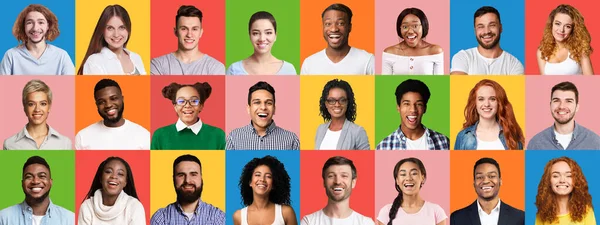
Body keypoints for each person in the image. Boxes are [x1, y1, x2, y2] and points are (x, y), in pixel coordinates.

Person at [75, 78, 150, 150]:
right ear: (96, 105)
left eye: (113, 98)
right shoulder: (82, 137)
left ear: (122, 99)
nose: (108, 105)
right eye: (101, 102)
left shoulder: (143, 135)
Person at [300, 3, 374, 75]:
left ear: (349, 27)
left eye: (340, 23)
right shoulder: (309, 64)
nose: (334, 29)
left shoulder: (368, 61)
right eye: (328, 24)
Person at [0, 4, 74, 75]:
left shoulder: (62, 56)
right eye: (30, 23)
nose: (35, 28)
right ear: (23, 26)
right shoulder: (11, 56)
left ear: (48, 26)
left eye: (41, 22)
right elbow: (3, 87)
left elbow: (71, 87)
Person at [150, 5, 225, 75]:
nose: (189, 34)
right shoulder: (157, 64)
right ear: (176, 32)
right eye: (184, 29)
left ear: (201, 32)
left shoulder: (216, 67)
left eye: (194, 29)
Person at [151, 154, 225, 225]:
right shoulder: (160, 218)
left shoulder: (218, 217)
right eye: (181, 175)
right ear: (173, 179)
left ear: (201, 178)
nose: (187, 180)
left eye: (193, 174)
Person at [376, 79, 449, 150]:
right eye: (407, 104)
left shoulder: (443, 142)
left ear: (425, 108)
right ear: (398, 107)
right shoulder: (383, 147)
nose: (413, 110)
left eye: (418, 104)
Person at [0, 156, 74, 225]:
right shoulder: (4, 218)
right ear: (22, 183)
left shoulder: (69, 219)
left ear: (50, 182)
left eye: (42, 176)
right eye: (29, 177)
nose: (35, 181)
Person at [226, 81, 299, 150]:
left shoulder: (291, 140)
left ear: (274, 109)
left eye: (268, 103)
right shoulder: (233, 138)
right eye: (257, 102)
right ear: (249, 108)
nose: (263, 107)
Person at [301, 156, 374, 225]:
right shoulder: (309, 222)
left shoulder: (366, 223)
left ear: (353, 182)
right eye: (331, 176)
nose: (337, 181)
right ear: (324, 182)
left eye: (344, 176)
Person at [450, 157, 524, 225]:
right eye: (479, 177)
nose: (485, 181)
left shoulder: (520, 217)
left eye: (492, 176)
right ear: (474, 183)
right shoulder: (457, 218)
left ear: (500, 181)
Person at [450, 6, 523, 75]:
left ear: (500, 28)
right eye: (480, 26)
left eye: (492, 25)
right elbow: (458, 87)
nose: (486, 31)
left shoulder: (514, 64)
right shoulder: (463, 57)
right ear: (475, 31)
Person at [151, 82, 226, 150]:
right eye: (181, 101)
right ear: (175, 107)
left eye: (194, 101)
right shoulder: (160, 135)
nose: (187, 105)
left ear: (201, 106)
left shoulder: (218, 135)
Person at [454, 79, 524, 150]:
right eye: (481, 99)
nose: (487, 104)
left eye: (492, 99)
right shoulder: (463, 136)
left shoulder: (512, 135)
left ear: (499, 103)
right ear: (475, 103)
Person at [528, 81, 600, 150]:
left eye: (568, 101)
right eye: (556, 100)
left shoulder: (595, 142)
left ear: (577, 107)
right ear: (550, 105)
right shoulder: (535, 143)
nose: (562, 106)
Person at [3, 79, 72, 150]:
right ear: (24, 107)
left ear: (49, 107)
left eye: (43, 104)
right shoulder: (9, 144)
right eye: (31, 104)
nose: (37, 109)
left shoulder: (65, 143)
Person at [78, 5, 146, 75]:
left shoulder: (136, 58)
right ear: (102, 30)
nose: (116, 34)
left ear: (128, 29)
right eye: (110, 28)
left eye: (121, 27)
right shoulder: (94, 61)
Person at [377, 157, 447, 225]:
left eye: (414, 173)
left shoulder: (436, 211)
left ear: (422, 177)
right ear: (397, 180)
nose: (408, 178)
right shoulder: (385, 212)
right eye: (403, 174)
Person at [78, 157, 146, 225]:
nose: (114, 176)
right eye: (108, 172)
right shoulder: (87, 206)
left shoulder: (135, 207)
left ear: (125, 182)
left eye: (120, 174)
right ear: (101, 178)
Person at [233, 156, 297, 225]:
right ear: (250, 182)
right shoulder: (238, 216)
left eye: (268, 176)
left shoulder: (286, 212)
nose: (262, 179)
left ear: (273, 184)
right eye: (257, 175)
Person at [227, 11, 296, 75]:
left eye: (268, 33)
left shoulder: (288, 70)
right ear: (250, 36)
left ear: (275, 36)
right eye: (256, 33)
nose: (262, 39)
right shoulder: (234, 69)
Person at [534, 157, 595, 225]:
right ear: (548, 181)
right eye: (556, 176)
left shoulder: (586, 211)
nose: (562, 180)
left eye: (569, 176)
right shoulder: (541, 215)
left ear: (576, 181)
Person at [382, 8, 443, 75]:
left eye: (415, 26)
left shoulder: (435, 51)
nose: (410, 31)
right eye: (405, 27)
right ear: (400, 28)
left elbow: (439, 85)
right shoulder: (389, 53)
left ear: (423, 26)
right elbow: (385, 85)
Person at [537, 4, 594, 75]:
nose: (561, 30)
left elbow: (591, 81)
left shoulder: (580, 49)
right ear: (551, 24)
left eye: (567, 26)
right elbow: (544, 81)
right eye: (558, 24)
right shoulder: (542, 51)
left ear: (573, 29)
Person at [315, 79, 369, 150]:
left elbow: (366, 160)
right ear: (326, 104)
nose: (337, 104)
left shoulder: (358, 132)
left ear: (348, 103)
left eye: (342, 100)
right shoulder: (320, 129)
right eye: (331, 100)